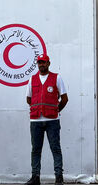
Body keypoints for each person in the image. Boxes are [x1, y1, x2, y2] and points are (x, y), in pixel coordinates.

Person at [25, 54, 68, 185]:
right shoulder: (32, 79)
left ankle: (59, 177)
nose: (41, 64)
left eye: (44, 62)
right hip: (36, 120)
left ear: (48, 63)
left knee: (55, 148)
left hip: (52, 120)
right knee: (36, 150)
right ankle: (35, 177)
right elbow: (29, 99)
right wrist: (38, 108)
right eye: (39, 62)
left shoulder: (57, 78)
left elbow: (64, 98)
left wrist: (55, 110)